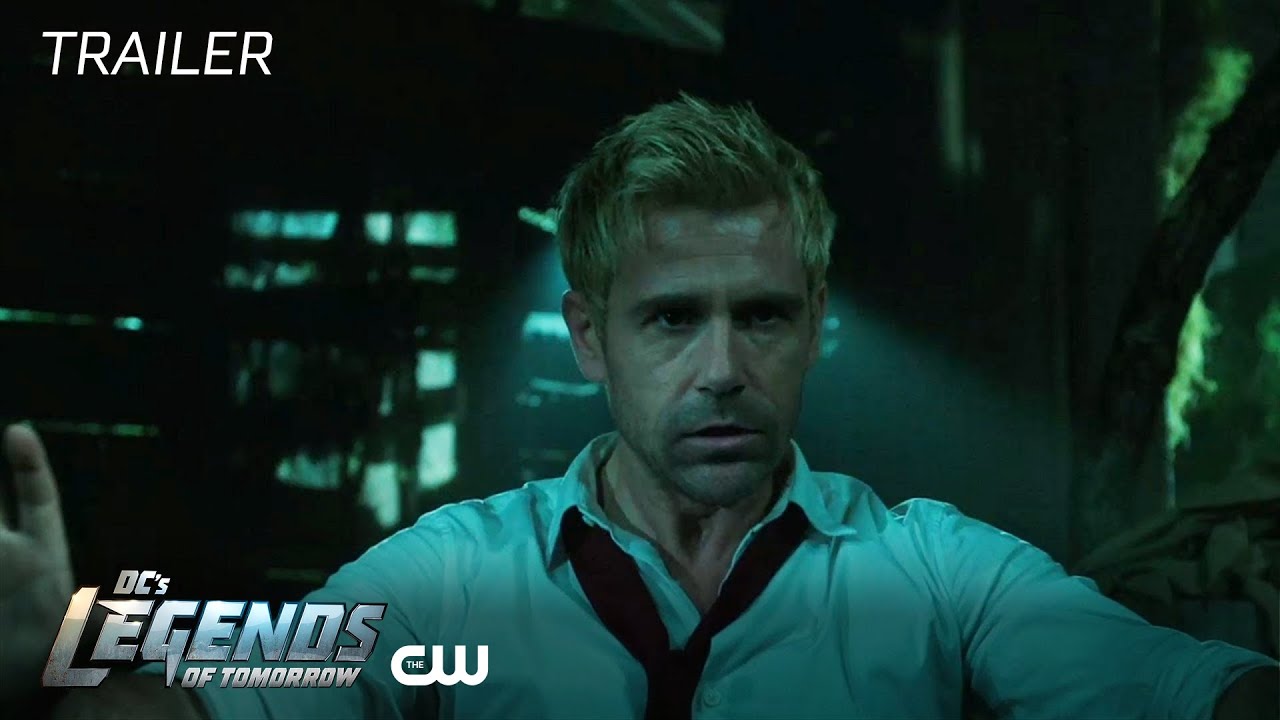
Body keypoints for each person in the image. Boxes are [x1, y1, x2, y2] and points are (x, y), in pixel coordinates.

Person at [3, 95, 1277, 720]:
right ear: (588, 339)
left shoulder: (939, 574)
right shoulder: (450, 581)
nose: (721, 367)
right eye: (671, 319)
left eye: (760, 316)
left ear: (814, 326)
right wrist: (44, 673)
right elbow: (210, 704)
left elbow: (1183, 692)